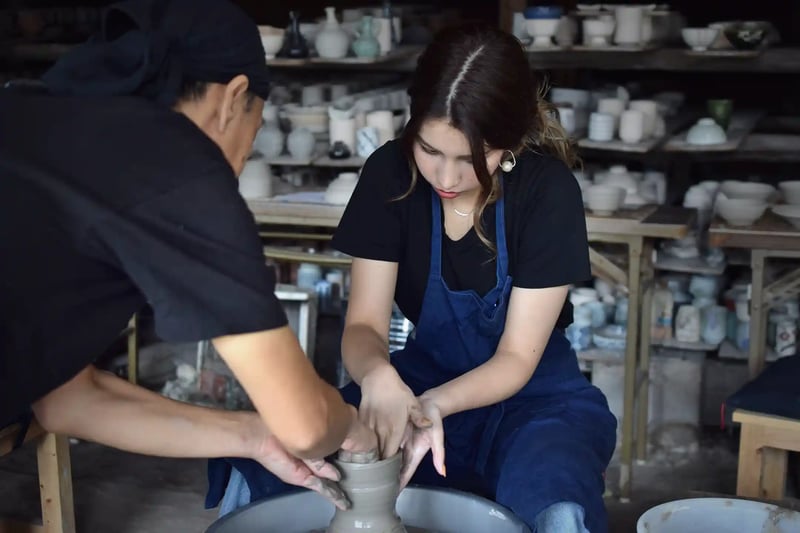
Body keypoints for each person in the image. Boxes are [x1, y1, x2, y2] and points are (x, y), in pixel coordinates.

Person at [208, 23, 617, 532]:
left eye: (471, 160)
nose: (446, 179)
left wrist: (429, 409)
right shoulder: (391, 174)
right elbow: (363, 329)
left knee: (554, 495)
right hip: (417, 380)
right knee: (277, 457)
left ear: (508, 143)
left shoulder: (546, 191)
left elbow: (515, 359)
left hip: (535, 403)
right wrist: (379, 377)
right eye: (429, 151)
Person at [0, 0, 376, 511]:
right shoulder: (181, 168)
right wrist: (352, 426)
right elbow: (308, 427)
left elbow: (68, 400)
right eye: (256, 129)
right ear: (233, 98)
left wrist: (253, 436)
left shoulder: (30, 110)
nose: (245, 158)